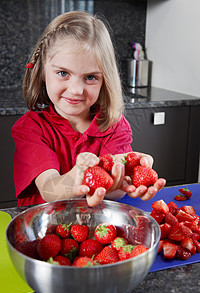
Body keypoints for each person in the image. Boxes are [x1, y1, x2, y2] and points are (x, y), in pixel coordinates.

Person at [12, 11, 166, 207]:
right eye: (63, 73)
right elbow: (49, 189)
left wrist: (124, 176)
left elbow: (115, 193)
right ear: (42, 70)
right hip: (44, 229)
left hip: (94, 230)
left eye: (91, 77)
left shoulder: (115, 126)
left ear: (105, 80)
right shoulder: (31, 128)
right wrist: (79, 175)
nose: (76, 90)